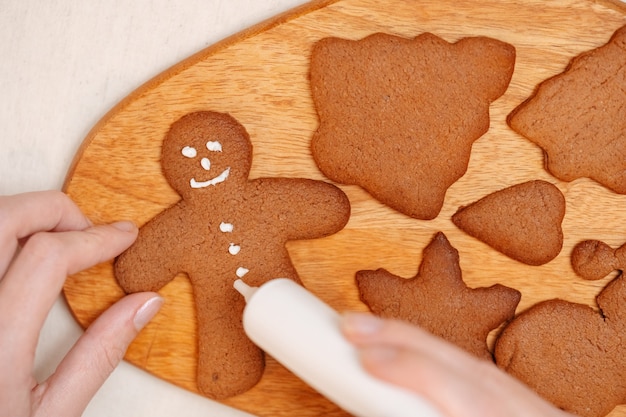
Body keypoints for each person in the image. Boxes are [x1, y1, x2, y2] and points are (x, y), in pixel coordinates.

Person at [0, 191, 572, 417]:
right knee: (227, 345)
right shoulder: (186, 220)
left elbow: (316, 206)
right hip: (223, 308)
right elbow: (145, 263)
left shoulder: (259, 197)